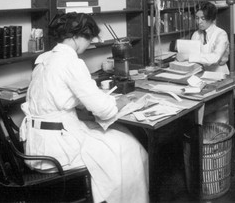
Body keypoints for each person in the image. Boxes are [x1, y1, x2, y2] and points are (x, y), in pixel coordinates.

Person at [19, 12, 149, 203]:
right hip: (56, 151)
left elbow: (60, 95)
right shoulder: (71, 62)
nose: (89, 44)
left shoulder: (44, 59)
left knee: (119, 134)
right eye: (88, 38)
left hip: (33, 145)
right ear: (76, 37)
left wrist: (92, 100)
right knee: (128, 146)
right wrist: (119, 102)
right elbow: (104, 110)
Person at [176, 1, 230, 74]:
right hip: (200, 72)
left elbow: (214, 58)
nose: (199, 22)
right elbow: (193, 55)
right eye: (197, 18)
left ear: (211, 18)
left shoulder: (221, 34)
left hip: (218, 74)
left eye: (203, 18)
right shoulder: (196, 34)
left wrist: (188, 56)